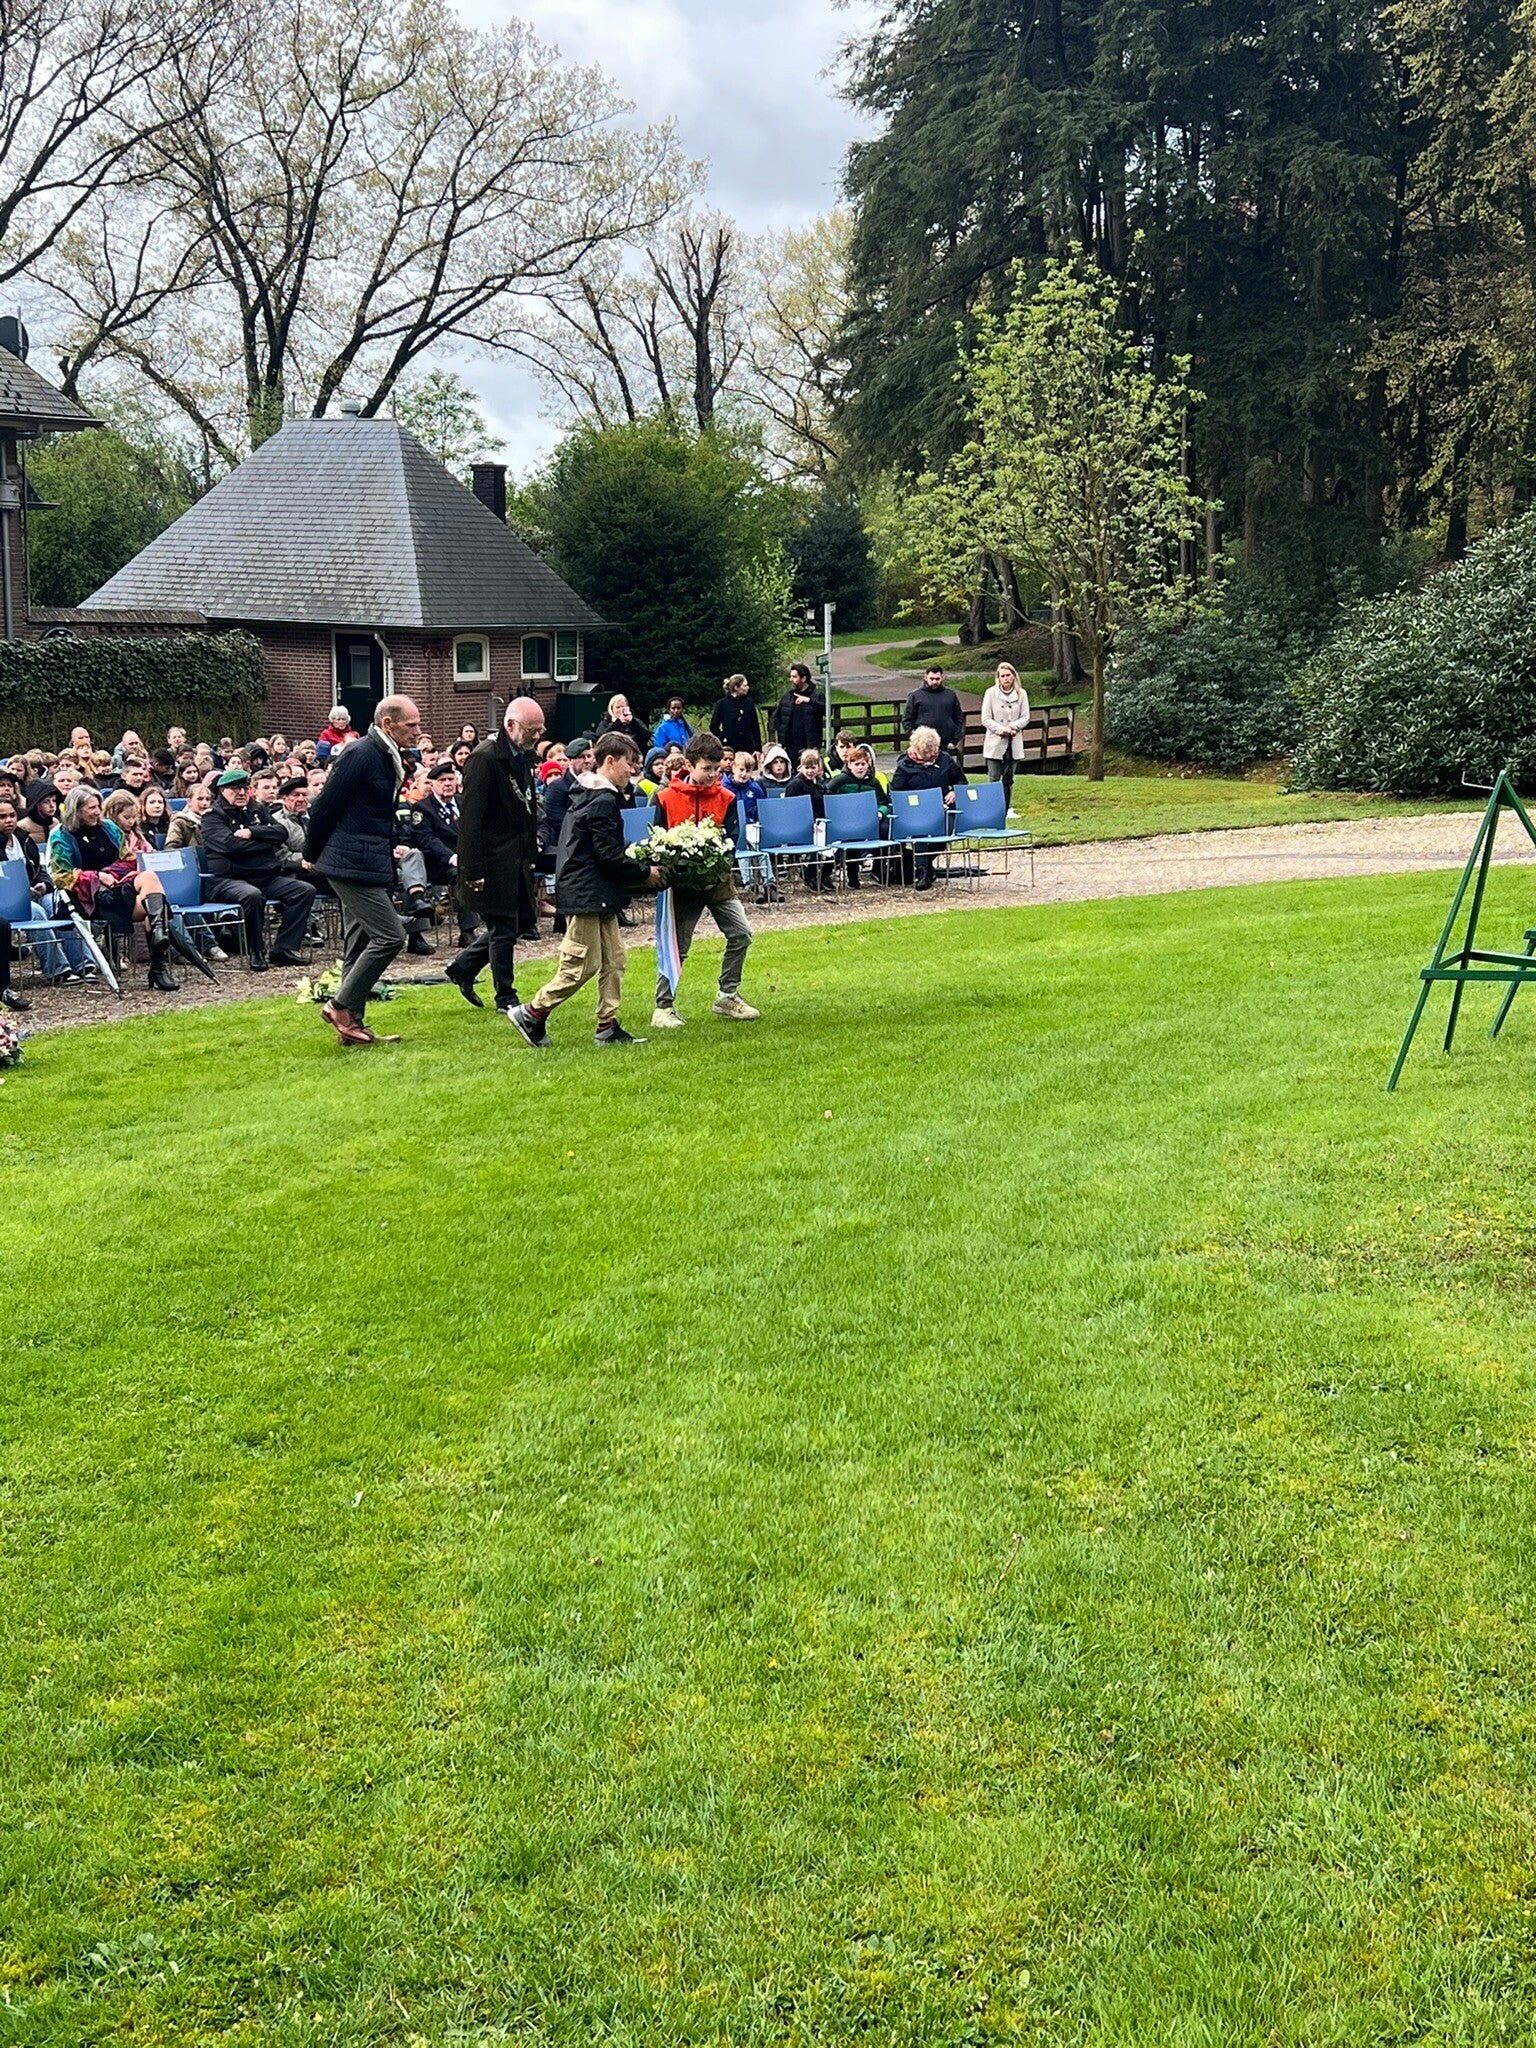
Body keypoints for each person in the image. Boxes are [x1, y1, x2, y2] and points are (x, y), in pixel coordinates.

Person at [510, 734, 659, 1048]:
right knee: (580, 965)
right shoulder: (600, 799)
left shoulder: (594, 795)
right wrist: (645, 872)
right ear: (610, 761)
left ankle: (607, 1025)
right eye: (629, 763)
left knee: (614, 959)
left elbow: (604, 847)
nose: (633, 770)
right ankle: (532, 1012)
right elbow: (608, 855)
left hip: (597, 891)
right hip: (586, 892)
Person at [303, 694, 420, 1045]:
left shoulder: (386, 754)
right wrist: (311, 853)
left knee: (360, 942)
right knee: (390, 936)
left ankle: (351, 1026)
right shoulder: (361, 754)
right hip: (348, 862)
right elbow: (323, 807)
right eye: (411, 725)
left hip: (367, 861)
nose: (417, 731)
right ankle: (339, 1007)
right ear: (388, 723)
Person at [47, 783, 207, 992]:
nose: (97, 812)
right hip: (90, 898)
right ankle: (158, 958)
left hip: (118, 888)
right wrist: (97, 877)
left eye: (98, 806)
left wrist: (110, 875)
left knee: (149, 877)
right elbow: (61, 875)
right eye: (91, 808)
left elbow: (129, 860)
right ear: (76, 810)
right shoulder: (61, 835)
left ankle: (159, 953)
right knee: (154, 907)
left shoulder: (109, 828)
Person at [649, 733, 758, 1028]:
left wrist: (717, 865)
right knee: (677, 946)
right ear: (688, 765)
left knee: (741, 934)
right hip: (680, 884)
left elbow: (731, 839)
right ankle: (663, 1007)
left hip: (718, 881)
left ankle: (727, 995)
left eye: (717, 769)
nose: (712, 775)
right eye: (706, 768)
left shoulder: (727, 798)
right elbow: (657, 838)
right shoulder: (665, 797)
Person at [446, 697, 545, 1013]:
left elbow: (527, 806)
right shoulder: (485, 758)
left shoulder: (523, 756)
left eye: (540, 730)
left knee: (524, 919)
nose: (537, 736)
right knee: (503, 926)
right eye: (531, 730)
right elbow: (471, 821)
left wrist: (532, 848)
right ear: (510, 725)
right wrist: (472, 870)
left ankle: (463, 966)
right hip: (492, 859)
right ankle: (506, 996)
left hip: (517, 857)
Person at [202, 767, 316, 970]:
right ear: (222, 791)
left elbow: (281, 833)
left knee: (304, 890)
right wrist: (265, 841)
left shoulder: (255, 809)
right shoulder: (213, 816)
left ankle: (283, 949)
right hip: (227, 880)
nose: (241, 793)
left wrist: (252, 832)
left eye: (244, 788)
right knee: (252, 895)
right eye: (235, 789)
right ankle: (256, 951)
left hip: (263, 876)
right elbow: (231, 846)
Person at [890, 725, 967, 891]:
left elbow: (961, 781)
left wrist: (955, 792)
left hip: (943, 809)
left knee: (946, 832)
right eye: (927, 753)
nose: (931, 756)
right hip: (916, 812)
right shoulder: (904, 766)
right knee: (921, 830)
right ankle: (923, 872)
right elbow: (896, 793)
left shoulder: (945, 760)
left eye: (934, 751)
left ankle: (922, 862)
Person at [827, 742, 892, 888]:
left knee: (885, 829)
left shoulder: (873, 782)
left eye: (863, 764)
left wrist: (881, 813)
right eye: (856, 764)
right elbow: (827, 799)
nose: (860, 767)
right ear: (849, 765)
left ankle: (879, 869)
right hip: (847, 822)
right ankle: (852, 875)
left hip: (870, 821)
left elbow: (884, 803)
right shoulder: (839, 782)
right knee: (853, 837)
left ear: (868, 765)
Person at [979, 661, 1031, 809]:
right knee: (994, 776)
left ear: (1013, 676)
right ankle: (992, 807)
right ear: (998, 678)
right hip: (995, 741)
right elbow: (986, 718)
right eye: (1003, 676)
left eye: (1008, 675)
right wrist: (1001, 729)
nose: (1006, 678)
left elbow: (1025, 717)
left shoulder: (1021, 694)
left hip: (1013, 740)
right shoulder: (991, 693)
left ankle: (1007, 806)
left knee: (1009, 777)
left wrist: (1012, 727)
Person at [903, 665, 965, 756]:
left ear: (942, 677)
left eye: (937, 679)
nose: (935, 682)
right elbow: (907, 719)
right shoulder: (915, 696)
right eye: (932, 679)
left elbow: (958, 718)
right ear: (925, 677)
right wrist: (915, 738)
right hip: (923, 745)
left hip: (946, 745)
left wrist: (954, 740)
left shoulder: (950, 695)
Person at [774, 663, 823, 762]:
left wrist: (809, 701)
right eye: (791, 676)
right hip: (790, 746)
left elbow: (827, 711)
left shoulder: (817, 695)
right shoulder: (788, 696)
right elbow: (777, 717)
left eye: (794, 677)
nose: (791, 679)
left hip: (809, 745)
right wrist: (782, 734)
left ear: (803, 678)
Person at [710, 672, 761, 755]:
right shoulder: (722, 704)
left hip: (748, 747)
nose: (747, 688)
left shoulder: (749, 703)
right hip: (730, 747)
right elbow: (714, 726)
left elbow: (755, 727)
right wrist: (723, 738)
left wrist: (758, 748)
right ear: (736, 687)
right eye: (745, 686)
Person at [595, 692, 652, 758]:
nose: (621, 710)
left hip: (635, 755)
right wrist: (618, 723)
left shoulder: (636, 721)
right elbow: (600, 737)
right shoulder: (605, 722)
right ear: (612, 709)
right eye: (618, 707)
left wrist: (633, 723)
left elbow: (647, 737)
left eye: (623, 707)